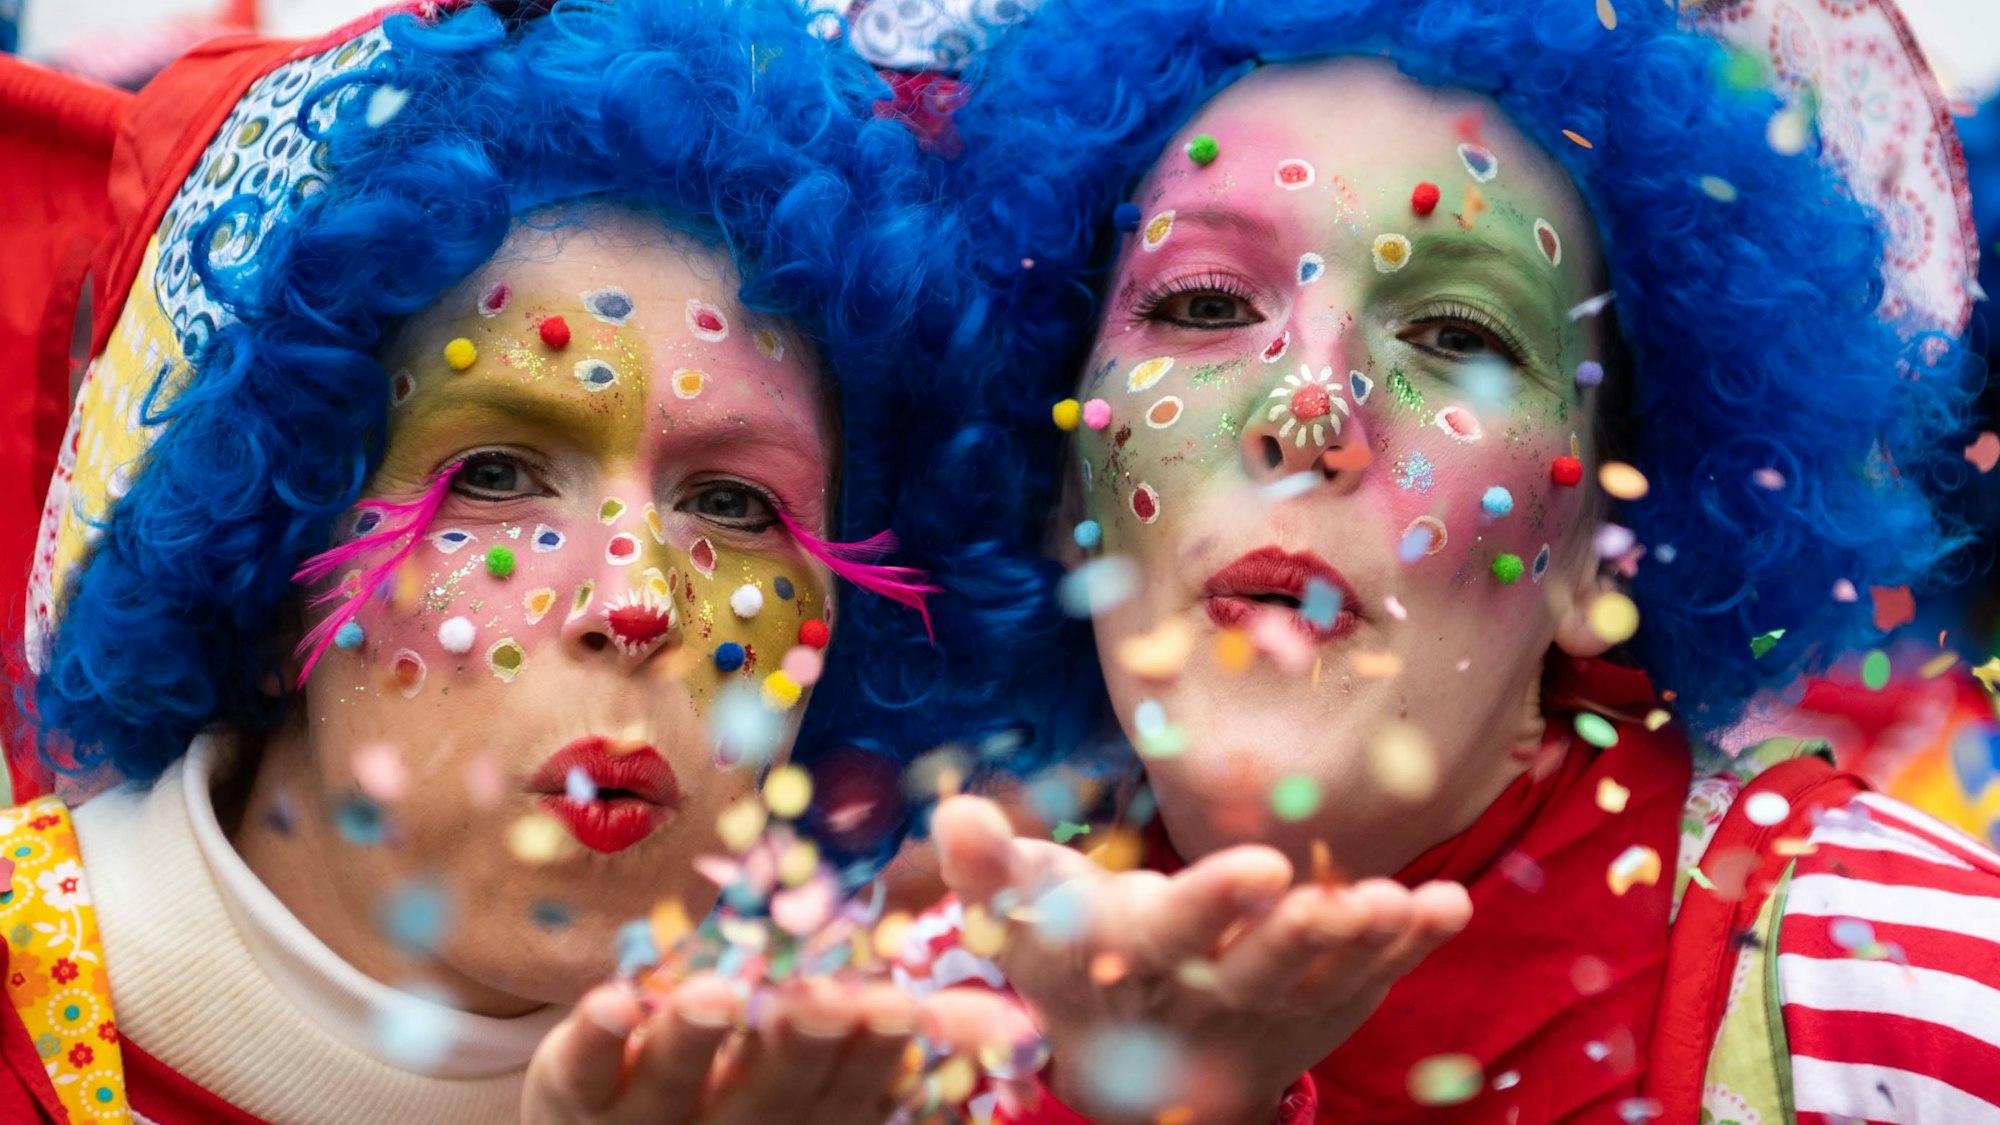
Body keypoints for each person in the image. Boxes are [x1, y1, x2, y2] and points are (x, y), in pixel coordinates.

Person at [901, 0, 2000, 1122]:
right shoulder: (901, 1041)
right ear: (1057, 482)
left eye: (1459, 336)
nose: (1309, 409)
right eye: (1202, 304)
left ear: (1607, 545)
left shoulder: (1917, 1003)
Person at [3, 1, 1040, 1122]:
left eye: (734, 503)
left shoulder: (888, 1082)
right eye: (495, 476)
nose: (638, 602)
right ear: (266, 576)